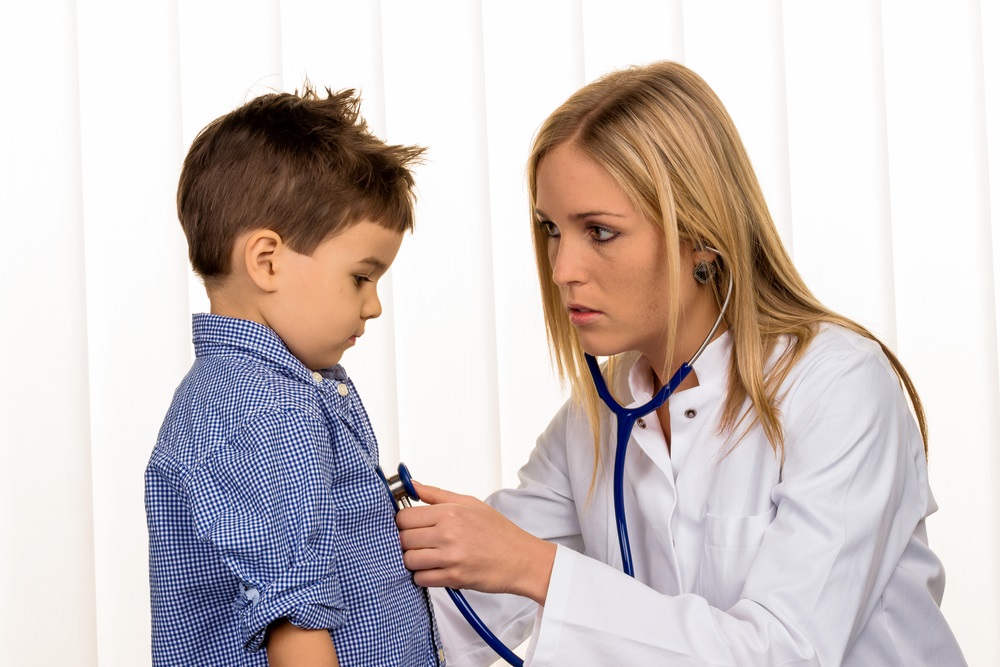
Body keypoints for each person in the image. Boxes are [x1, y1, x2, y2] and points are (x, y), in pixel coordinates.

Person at [395, 61, 966, 665]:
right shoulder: (594, 420)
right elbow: (451, 619)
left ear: (701, 235)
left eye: (600, 232)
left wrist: (537, 568)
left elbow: (784, 653)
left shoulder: (837, 386)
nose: (562, 269)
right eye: (552, 230)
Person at [145, 86, 442, 666]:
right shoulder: (263, 411)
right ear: (267, 261)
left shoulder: (265, 393)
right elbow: (294, 621)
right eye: (361, 277)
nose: (374, 304)